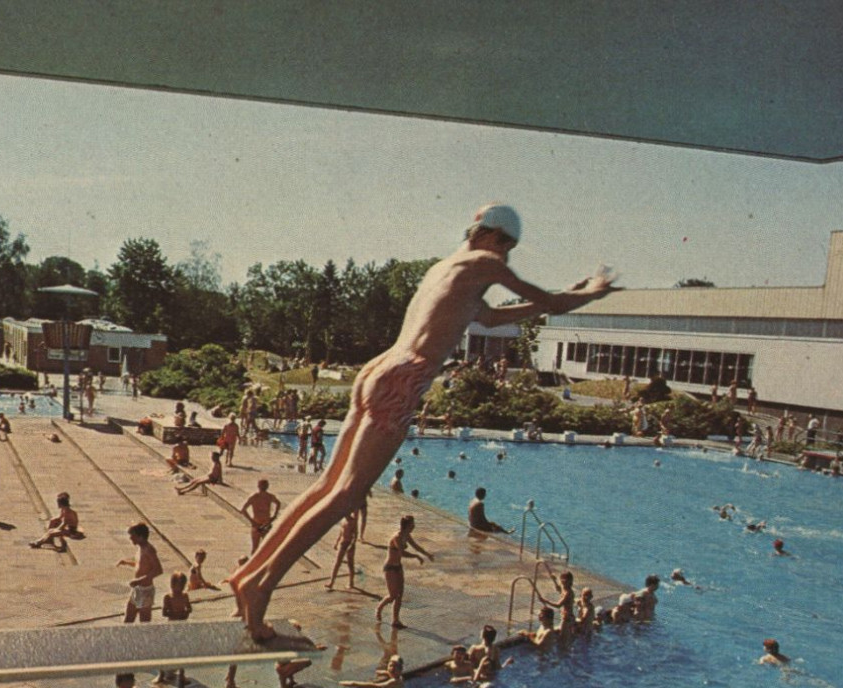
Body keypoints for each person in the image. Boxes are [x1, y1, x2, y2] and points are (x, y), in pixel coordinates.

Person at [225, 203, 617, 640]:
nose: (506, 259)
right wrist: (592, 292)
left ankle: (249, 577)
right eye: (508, 247)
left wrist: (562, 296)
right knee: (345, 497)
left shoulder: (445, 269)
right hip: (405, 379)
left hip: (379, 369)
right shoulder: (485, 262)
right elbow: (553, 304)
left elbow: (487, 317)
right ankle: (263, 587)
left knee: (328, 486)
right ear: (492, 237)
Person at [375, 514, 432, 629]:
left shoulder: (407, 535)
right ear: (407, 526)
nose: (414, 526)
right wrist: (416, 556)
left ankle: (395, 620)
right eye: (412, 524)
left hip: (398, 567)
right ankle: (379, 608)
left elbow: (416, 546)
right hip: (390, 568)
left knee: (400, 595)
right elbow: (402, 553)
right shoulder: (397, 537)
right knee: (392, 596)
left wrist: (427, 554)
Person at [119, 523, 163, 622]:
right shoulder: (140, 548)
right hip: (137, 589)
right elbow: (142, 565)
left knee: (144, 622)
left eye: (132, 536)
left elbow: (158, 570)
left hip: (145, 590)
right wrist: (127, 563)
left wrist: (138, 581)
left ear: (140, 537)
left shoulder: (149, 550)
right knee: (128, 618)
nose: (130, 538)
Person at [340, 654, 406, 688]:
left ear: (400, 669)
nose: (392, 668)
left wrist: (354, 683)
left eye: (395, 667)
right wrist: (384, 673)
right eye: (391, 665)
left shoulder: (393, 682)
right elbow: (391, 673)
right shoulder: (400, 678)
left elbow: (377, 687)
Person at [324, 509, 361, 590]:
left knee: (350, 564)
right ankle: (332, 582)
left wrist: (351, 545)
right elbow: (341, 533)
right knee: (337, 563)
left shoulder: (353, 521)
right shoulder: (343, 520)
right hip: (342, 543)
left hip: (349, 543)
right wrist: (336, 542)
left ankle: (351, 582)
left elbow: (355, 536)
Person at [241, 479, 282, 551]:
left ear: (258, 486)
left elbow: (243, 510)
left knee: (256, 548)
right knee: (266, 548)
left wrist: (252, 521)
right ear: (267, 486)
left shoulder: (255, 497)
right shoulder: (268, 497)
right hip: (264, 523)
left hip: (258, 523)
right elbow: (278, 503)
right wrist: (274, 516)